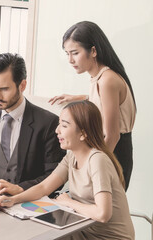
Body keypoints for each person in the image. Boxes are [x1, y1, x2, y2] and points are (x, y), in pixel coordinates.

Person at [0, 101, 135, 240]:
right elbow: (44, 187)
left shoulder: (97, 160)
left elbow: (103, 214)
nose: (57, 130)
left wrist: (69, 202)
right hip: (83, 231)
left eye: (64, 125)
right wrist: (13, 200)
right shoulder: (72, 156)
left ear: (83, 134)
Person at [0, 53, 65, 196]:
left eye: (4, 89)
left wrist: (21, 188)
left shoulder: (48, 123)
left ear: (22, 85)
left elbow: (57, 176)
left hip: (27, 203)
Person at [49, 21, 136, 190]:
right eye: (67, 53)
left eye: (75, 53)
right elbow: (104, 102)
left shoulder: (107, 80)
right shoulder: (100, 77)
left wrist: (91, 167)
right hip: (105, 149)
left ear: (93, 51)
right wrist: (78, 97)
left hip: (113, 152)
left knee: (99, 212)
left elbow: (112, 136)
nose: (70, 60)